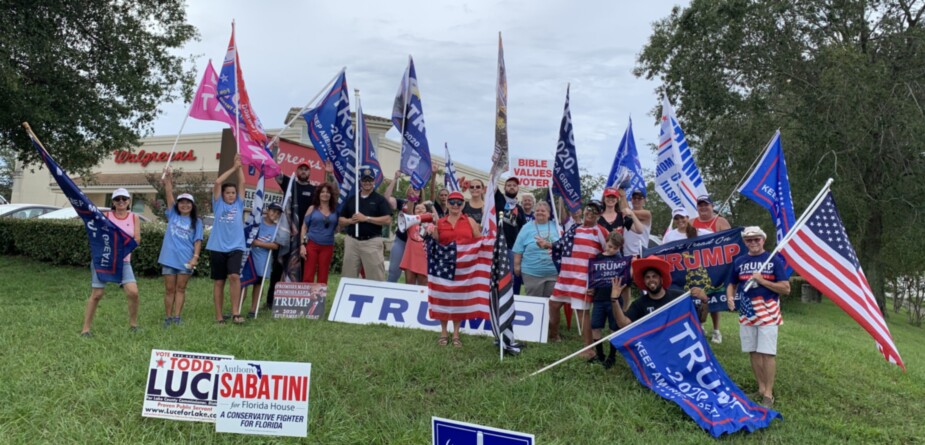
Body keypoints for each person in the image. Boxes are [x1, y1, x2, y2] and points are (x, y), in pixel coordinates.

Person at [726, 226, 790, 409]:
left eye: (756, 239)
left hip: (768, 311)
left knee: (767, 352)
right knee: (753, 351)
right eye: (749, 240)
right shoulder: (739, 261)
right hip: (747, 311)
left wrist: (762, 281)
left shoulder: (773, 260)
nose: (753, 242)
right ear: (745, 242)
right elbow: (731, 283)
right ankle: (761, 388)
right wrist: (730, 296)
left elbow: (786, 288)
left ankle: (769, 394)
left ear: (763, 240)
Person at [536, 200, 608, 357]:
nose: (590, 212)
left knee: (582, 312)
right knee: (554, 304)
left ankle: (588, 349)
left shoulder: (600, 231)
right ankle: (554, 336)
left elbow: (608, 254)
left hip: (584, 279)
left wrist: (597, 281)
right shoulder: (575, 228)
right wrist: (546, 244)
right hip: (566, 276)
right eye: (589, 208)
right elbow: (560, 245)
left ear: (599, 215)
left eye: (595, 211)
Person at [80, 188, 142, 336]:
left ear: (129, 201)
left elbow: (137, 239)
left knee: (133, 292)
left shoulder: (134, 218)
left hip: (123, 261)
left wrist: (123, 249)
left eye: (124, 199)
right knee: (97, 294)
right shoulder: (105, 217)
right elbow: (97, 236)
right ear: (113, 202)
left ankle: (133, 325)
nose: (121, 201)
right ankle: (85, 329)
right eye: (117, 199)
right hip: (104, 260)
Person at [430, 191, 481, 348]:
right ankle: (444, 332)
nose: (455, 205)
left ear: (463, 205)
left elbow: (479, 242)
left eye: (459, 202)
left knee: (459, 300)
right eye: (452, 202)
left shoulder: (470, 221)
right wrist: (432, 233)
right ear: (447, 203)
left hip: (464, 268)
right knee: (443, 299)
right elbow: (437, 242)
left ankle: (457, 333)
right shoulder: (440, 222)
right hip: (444, 267)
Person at [158, 170, 203, 327]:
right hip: (169, 259)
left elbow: (198, 241)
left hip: (186, 260)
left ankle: (177, 317)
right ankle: (168, 317)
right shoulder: (173, 215)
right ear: (178, 205)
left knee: (181, 289)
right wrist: (168, 177)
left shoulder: (197, 222)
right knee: (169, 289)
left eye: (188, 202)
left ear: (192, 205)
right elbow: (169, 192)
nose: (185, 205)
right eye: (182, 202)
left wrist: (195, 257)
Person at [610, 256, 708, 327]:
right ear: (644, 281)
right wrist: (614, 300)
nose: (651, 280)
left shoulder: (679, 297)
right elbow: (623, 324)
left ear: (661, 279)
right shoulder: (639, 304)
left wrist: (704, 301)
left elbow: (701, 319)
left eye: (654, 276)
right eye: (647, 277)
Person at [206, 155, 247, 324]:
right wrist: (232, 167)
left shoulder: (239, 204)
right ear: (222, 194)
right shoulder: (218, 204)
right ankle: (219, 316)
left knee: (234, 277)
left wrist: (239, 168)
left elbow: (243, 183)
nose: (231, 195)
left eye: (233, 193)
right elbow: (217, 183)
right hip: (217, 247)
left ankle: (236, 312)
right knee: (219, 281)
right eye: (228, 193)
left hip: (236, 246)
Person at [339, 166, 392, 281]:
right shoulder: (352, 199)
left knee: (375, 278)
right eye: (364, 180)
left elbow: (387, 220)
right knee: (348, 278)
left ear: (374, 181)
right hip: (352, 242)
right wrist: (350, 221)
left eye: (370, 180)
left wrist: (366, 218)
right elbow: (341, 220)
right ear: (360, 181)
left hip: (371, 242)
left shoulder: (379, 200)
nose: (367, 183)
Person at [586, 231, 630, 368]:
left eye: (614, 248)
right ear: (606, 242)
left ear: (619, 248)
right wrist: (591, 289)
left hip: (614, 300)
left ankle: (612, 356)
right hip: (598, 299)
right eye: (609, 246)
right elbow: (593, 279)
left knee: (614, 328)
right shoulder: (597, 258)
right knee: (595, 326)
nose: (611, 250)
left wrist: (626, 301)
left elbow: (626, 284)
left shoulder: (621, 262)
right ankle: (600, 354)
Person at [693, 194, 733, 343]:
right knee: (697, 297)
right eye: (700, 205)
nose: (703, 208)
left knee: (714, 299)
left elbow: (729, 241)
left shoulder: (720, 221)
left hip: (715, 267)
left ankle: (716, 330)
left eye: (706, 205)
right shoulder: (692, 222)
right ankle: (700, 326)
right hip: (697, 268)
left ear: (712, 206)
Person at [512, 200, 559, 298]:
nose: (540, 212)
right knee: (534, 302)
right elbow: (518, 248)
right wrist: (516, 266)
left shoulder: (557, 226)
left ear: (549, 214)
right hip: (532, 272)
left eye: (543, 211)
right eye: (537, 210)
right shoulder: (526, 227)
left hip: (553, 273)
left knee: (550, 302)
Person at [245, 203, 282, 317]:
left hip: (263, 260)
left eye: (277, 213)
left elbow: (275, 246)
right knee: (243, 284)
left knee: (258, 284)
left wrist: (258, 243)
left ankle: (253, 309)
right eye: (273, 211)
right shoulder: (257, 221)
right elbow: (247, 235)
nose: (274, 215)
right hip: (249, 257)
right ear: (267, 210)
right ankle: (236, 307)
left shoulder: (277, 229)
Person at [300, 182, 339, 284]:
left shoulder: (335, 211)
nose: (325, 194)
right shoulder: (312, 208)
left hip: (327, 245)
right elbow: (304, 227)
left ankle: (320, 299)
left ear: (331, 195)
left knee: (323, 275)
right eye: (322, 192)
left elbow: (338, 228)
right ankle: (307, 299)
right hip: (312, 244)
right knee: (308, 274)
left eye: (327, 192)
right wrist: (303, 245)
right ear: (318, 194)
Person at [495, 176, 527, 294]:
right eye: (509, 185)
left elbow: (524, 229)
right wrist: (497, 167)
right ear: (504, 188)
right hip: (497, 246)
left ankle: (510, 300)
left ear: (518, 188)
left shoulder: (519, 208)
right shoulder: (498, 199)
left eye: (514, 185)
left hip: (513, 248)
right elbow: (492, 182)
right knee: (496, 276)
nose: (512, 187)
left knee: (511, 278)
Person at [384, 170, 410, 283]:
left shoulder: (424, 205)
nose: (414, 191)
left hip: (415, 243)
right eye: (412, 188)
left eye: (417, 189)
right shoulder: (402, 202)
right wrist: (395, 179)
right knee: (394, 271)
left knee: (414, 275)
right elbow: (386, 198)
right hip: (400, 240)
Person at [400, 202, 433, 285]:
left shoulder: (431, 224)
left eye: (423, 208)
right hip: (410, 256)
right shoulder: (411, 221)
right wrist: (412, 199)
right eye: (417, 208)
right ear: (414, 212)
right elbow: (408, 211)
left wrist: (431, 207)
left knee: (423, 284)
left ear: (427, 211)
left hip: (424, 257)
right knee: (409, 282)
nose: (420, 210)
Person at [623, 188, 652, 256]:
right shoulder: (626, 213)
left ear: (644, 200)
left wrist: (623, 196)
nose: (636, 200)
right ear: (631, 199)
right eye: (634, 198)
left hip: (640, 253)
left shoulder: (647, 214)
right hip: (626, 254)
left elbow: (626, 211)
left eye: (640, 198)